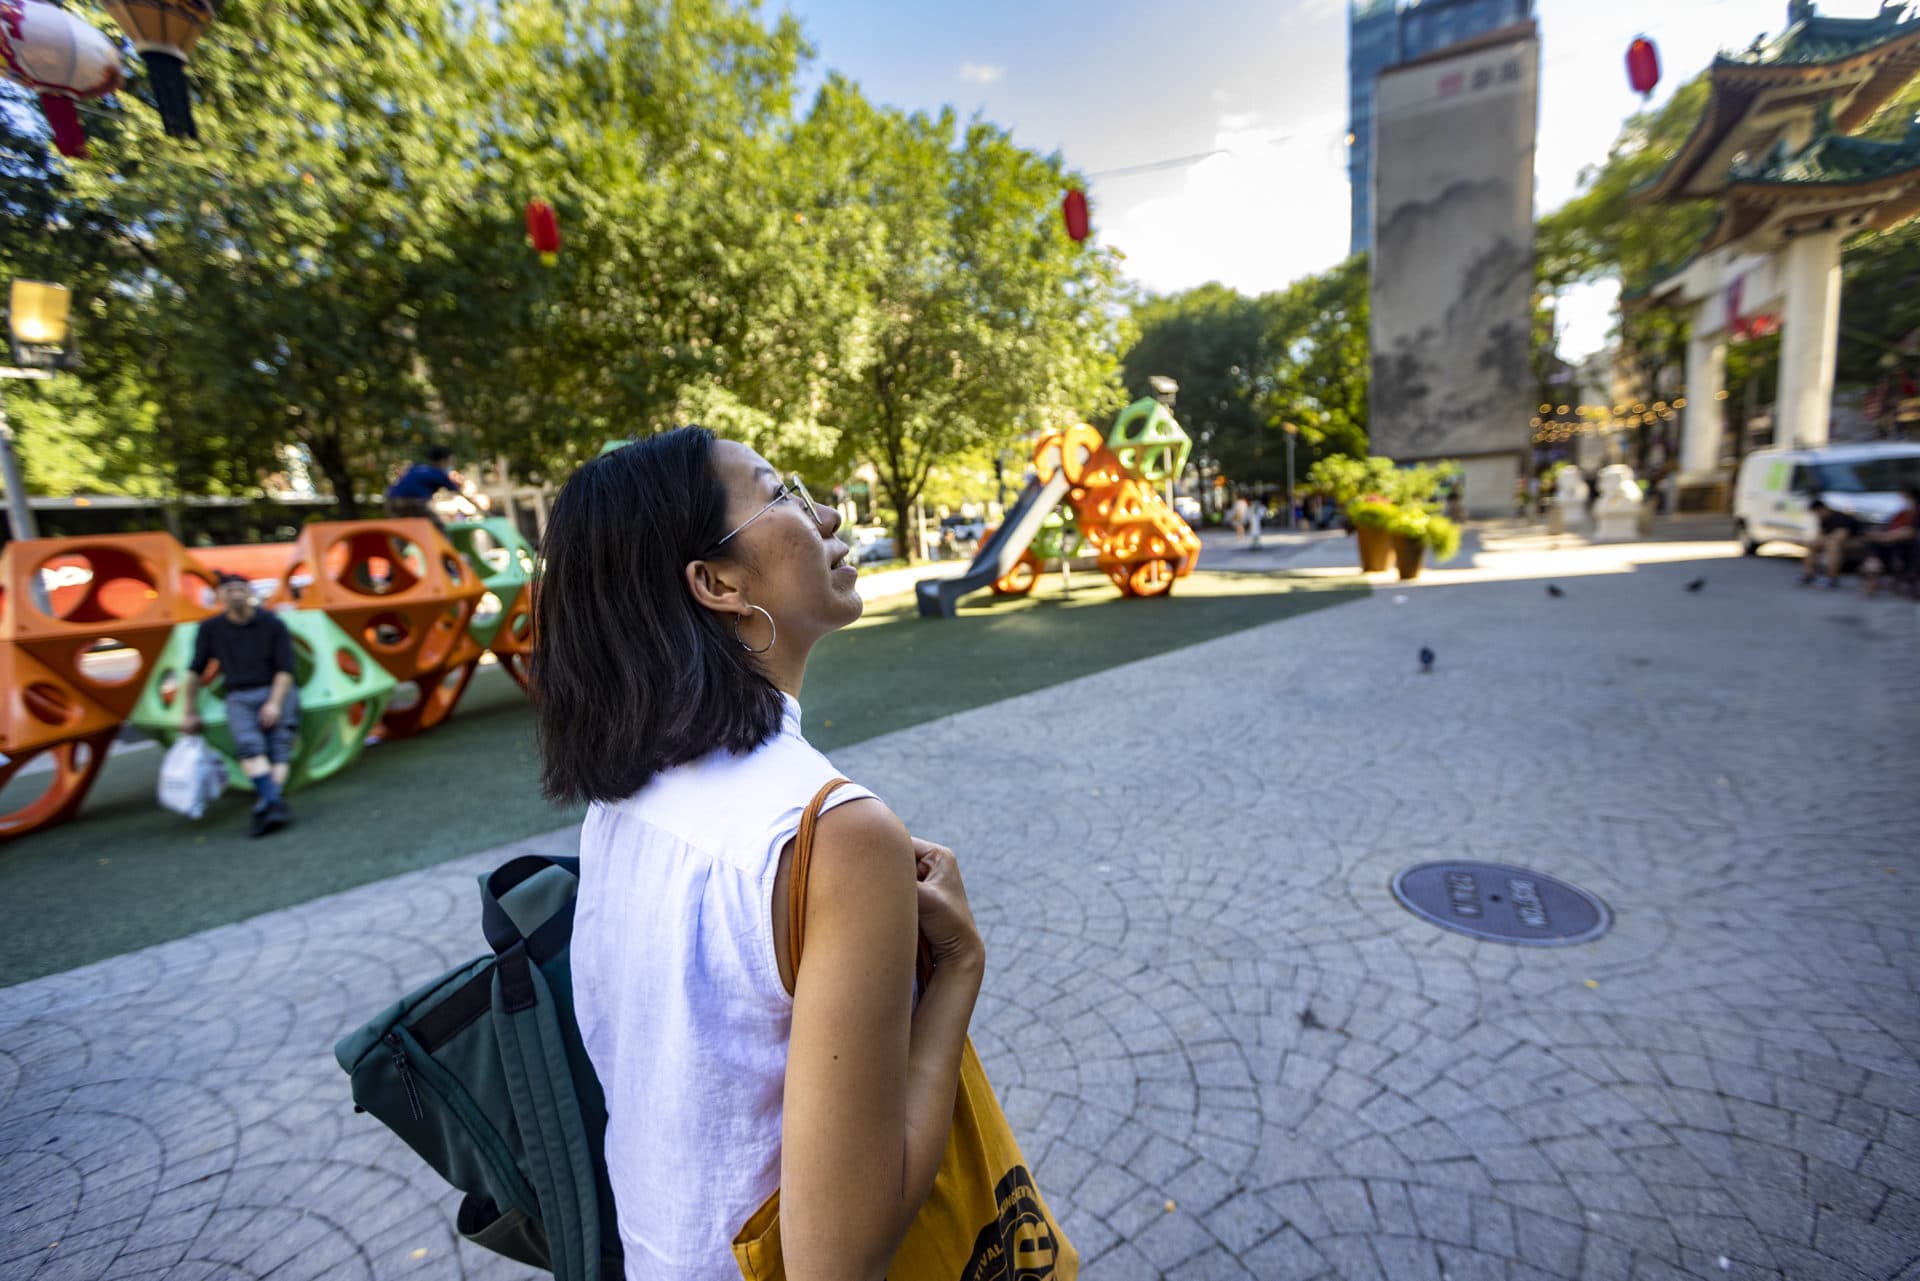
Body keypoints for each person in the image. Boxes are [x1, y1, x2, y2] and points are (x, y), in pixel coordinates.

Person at [533, 429, 1025, 1280]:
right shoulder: (834, 833)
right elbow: (836, 1260)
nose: (826, 511)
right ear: (717, 582)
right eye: (781, 494)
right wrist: (959, 969)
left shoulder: (620, 797)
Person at [182, 574, 299, 836]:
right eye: (228, 589)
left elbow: (285, 669)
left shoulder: (272, 623)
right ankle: (273, 803)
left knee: (278, 746)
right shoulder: (210, 629)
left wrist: (275, 703)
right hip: (238, 695)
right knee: (249, 747)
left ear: (249, 592)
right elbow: (195, 671)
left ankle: (268, 805)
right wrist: (189, 711)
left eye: (240, 588)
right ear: (219, 596)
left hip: (275, 690)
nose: (235, 593)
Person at [384, 445, 469, 529]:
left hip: (391, 500)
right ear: (443, 461)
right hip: (414, 501)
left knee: (401, 529)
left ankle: (398, 542)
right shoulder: (439, 474)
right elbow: (459, 492)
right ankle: (440, 542)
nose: (451, 465)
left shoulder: (418, 468)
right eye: (451, 462)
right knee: (437, 526)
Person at [1860, 486, 1919, 598]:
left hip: (1907, 545)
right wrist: (1877, 534)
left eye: (1903, 496)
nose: (1901, 499)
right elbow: (1888, 527)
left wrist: (1884, 537)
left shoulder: (1916, 513)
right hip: (1891, 542)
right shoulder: (1901, 513)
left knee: (1879, 545)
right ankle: (1873, 569)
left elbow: (1910, 532)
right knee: (1872, 545)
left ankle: (1873, 570)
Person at [1801, 497, 1861, 588]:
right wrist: (1818, 541)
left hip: (1857, 542)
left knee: (1833, 546)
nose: (1816, 515)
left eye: (1817, 513)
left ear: (1822, 509)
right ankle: (1808, 574)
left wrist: (1824, 540)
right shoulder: (1823, 519)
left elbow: (1841, 537)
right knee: (1813, 544)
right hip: (1834, 541)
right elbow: (1821, 535)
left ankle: (1831, 577)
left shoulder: (1839, 517)